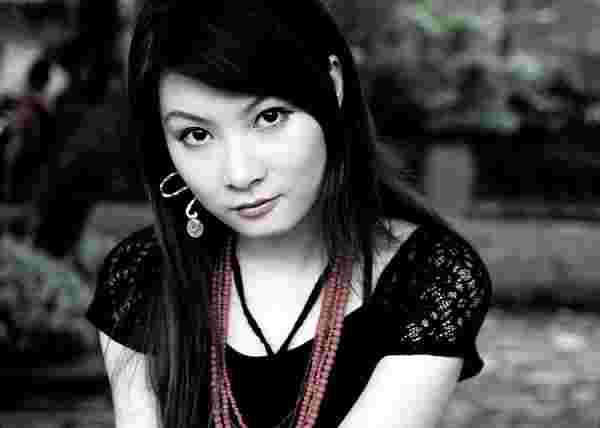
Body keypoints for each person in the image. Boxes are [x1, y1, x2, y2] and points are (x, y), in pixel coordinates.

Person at [85, 1, 493, 427]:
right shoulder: (142, 276)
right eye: (197, 134)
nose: (240, 174)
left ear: (332, 84)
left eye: (269, 117)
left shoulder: (426, 278)